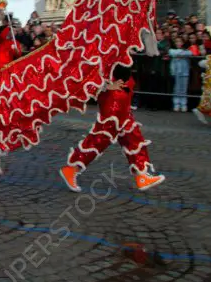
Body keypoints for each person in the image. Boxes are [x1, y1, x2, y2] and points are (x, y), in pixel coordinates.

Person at [60, 64, 166, 192]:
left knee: (131, 133)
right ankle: (73, 168)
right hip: (112, 97)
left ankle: (141, 174)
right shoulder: (103, 47)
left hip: (124, 90)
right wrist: (106, 86)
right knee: (103, 135)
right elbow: (89, 72)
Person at [168, 36, 191, 112]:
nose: (178, 43)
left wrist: (180, 53)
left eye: (180, 41)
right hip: (176, 72)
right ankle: (176, 104)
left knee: (184, 89)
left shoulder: (186, 51)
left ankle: (183, 104)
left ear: (182, 43)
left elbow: (189, 53)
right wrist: (182, 53)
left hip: (185, 72)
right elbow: (171, 52)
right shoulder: (172, 50)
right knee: (176, 89)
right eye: (177, 42)